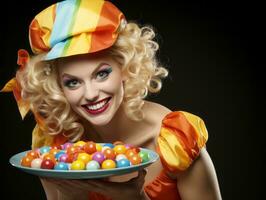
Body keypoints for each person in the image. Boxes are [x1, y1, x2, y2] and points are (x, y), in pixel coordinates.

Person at [1, 0, 222, 199]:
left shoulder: (175, 140)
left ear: (126, 68)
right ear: (57, 87)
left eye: (102, 74)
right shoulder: (57, 147)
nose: (90, 94)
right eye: (72, 82)